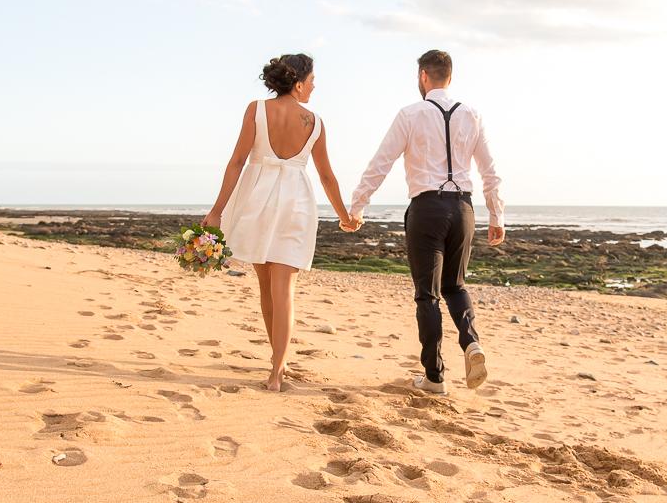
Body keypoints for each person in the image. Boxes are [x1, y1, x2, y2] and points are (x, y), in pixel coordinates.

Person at [349, 49, 505, 395]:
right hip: (463, 210)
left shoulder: (410, 114)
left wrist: (357, 207)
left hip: (426, 209)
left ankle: (434, 377)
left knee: (428, 296)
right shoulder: (472, 115)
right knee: (456, 286)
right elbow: (490, 171)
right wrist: (497, 215)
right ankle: (471, 342)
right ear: (450, 76)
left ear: (423, 76)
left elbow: (381, 163)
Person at [203, 54, 359, 392]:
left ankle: (278, 362)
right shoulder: (314, 122)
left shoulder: (256, 109)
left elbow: (237, 162)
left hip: (257, 200)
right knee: (284, 287)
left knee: (266, 286)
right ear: (299, 82)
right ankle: (277, 370)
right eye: (312, 81)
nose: (314, 87)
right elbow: (327, 176)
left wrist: (217, 210)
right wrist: (344, 216)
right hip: (296, 203)